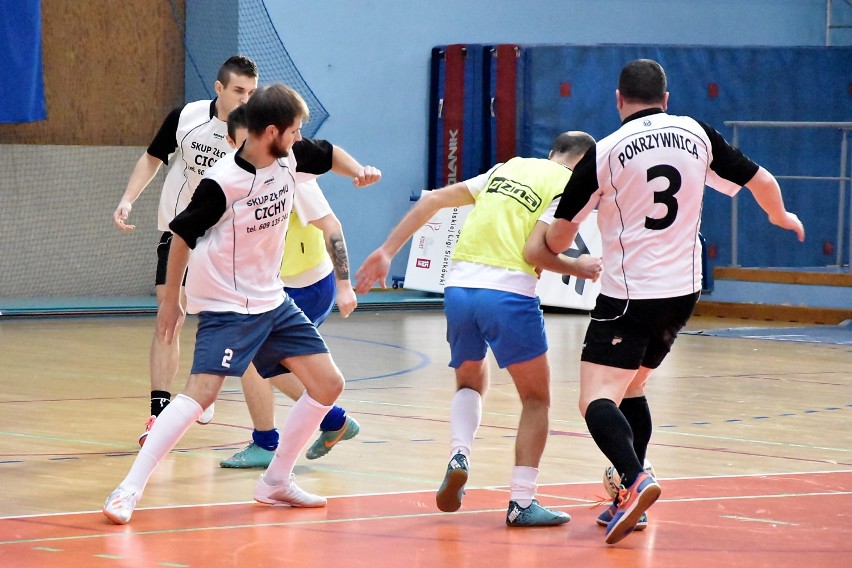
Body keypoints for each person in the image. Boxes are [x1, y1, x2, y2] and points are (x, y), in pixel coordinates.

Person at [524, 59, 805, 545]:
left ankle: (635, 482)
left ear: (618, 100)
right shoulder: (695, 133)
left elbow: (562, 233)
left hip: (631, 293)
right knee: (632, 388)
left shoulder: (605, 151)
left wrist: (548, 241)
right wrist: (780, 216)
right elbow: (760, 180)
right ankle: (630, 493)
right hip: (685, 291)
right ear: (666, 98)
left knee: (595, 398)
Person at [103, 83, 382, 525]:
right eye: (293, 131)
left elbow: (329, 153)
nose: (298, 139)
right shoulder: (223, 183)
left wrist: (360, 171)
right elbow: (180, 236)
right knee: (202, 393)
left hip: (272, 299)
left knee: (328, 385)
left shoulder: (291, 156)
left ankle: (275, 481)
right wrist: (172, 301)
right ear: (270, 131)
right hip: (228, 303)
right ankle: (128, 488)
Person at [355, 132, 603, 527]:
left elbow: (434, 199)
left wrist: (387, 250)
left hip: (458, 290)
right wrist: (577, 267)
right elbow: (534, 253)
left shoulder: (506, 168)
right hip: (507, 293)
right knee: (536, 400)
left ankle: (459, 455)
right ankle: (522, 501)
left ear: (553, 151)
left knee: (469, 383)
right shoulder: (569, 185)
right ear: (584, 162)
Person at [112, 56, 260, 444]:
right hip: (180, 230)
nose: (246, 99)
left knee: (223, 320)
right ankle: (158, 415)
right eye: (239, 91)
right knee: (169, 316)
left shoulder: (260, 128)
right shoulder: (187, 118)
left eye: (252, 92)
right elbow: (151, 158)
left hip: (229, 237)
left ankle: (202, 390)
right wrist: (128, 199)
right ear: (219, 89)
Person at [219, 106, 360, 469]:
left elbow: (332, 227)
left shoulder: (292, 176)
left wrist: (345, 285)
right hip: (277, 288)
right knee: (255, 360)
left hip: (309, 288)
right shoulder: (238, 176)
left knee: (259, 359)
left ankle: (312, 427)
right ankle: (299, 431)